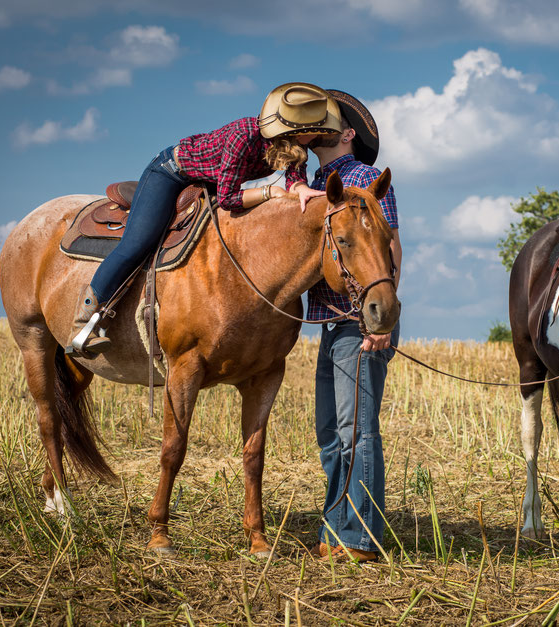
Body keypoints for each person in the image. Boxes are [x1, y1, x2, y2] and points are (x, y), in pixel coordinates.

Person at [67, 82, 340, 354]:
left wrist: (303, 190)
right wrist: (269, 192)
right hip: (172, 173)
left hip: (209, 181)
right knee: (139, 242)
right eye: (313, 132)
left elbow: (295, 178)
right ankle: (87, 314)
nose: (316, 137)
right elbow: (228, 198)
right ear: (295, 131)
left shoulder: (293, 146)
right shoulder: (242, 135)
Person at [307, 90, 401, 563]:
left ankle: (360, 538)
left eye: (327, 121)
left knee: (357, 431)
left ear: (346, 134)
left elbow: (390, 251)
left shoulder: (365, 180)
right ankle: (336, 527)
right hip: (329, 323)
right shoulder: (314, 183)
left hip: (361, 323)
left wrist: (380, 321)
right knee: (330, 431)